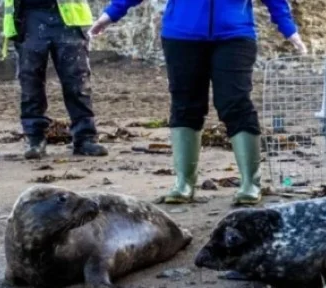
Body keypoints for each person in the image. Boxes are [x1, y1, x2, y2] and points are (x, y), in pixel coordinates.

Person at [87, 0, 307, 206]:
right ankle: (184, 183)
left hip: (235, 36)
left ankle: (250, 182)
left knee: (236, 102)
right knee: (185, 105)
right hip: (181, 36)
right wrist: (111, 13)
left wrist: (288, 28)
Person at [2, 0, 109, 160]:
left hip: (68, 17)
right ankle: (35, 139)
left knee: (76, 82)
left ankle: (84, 138)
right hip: (27, 15)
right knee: (31, 82)